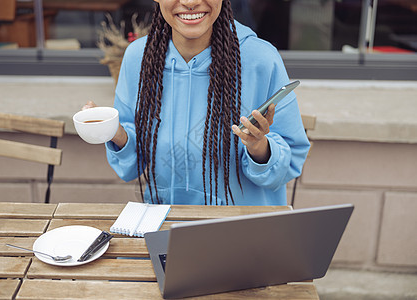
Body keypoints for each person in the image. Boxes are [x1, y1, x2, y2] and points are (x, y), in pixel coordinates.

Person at [84, 0, 310, 206]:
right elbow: (130, 167)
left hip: (241, 234)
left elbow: (290, 163)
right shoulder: (139, 58)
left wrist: (258, 146)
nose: (190, 2)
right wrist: (114, 131)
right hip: (165, 228)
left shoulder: (262, 59)